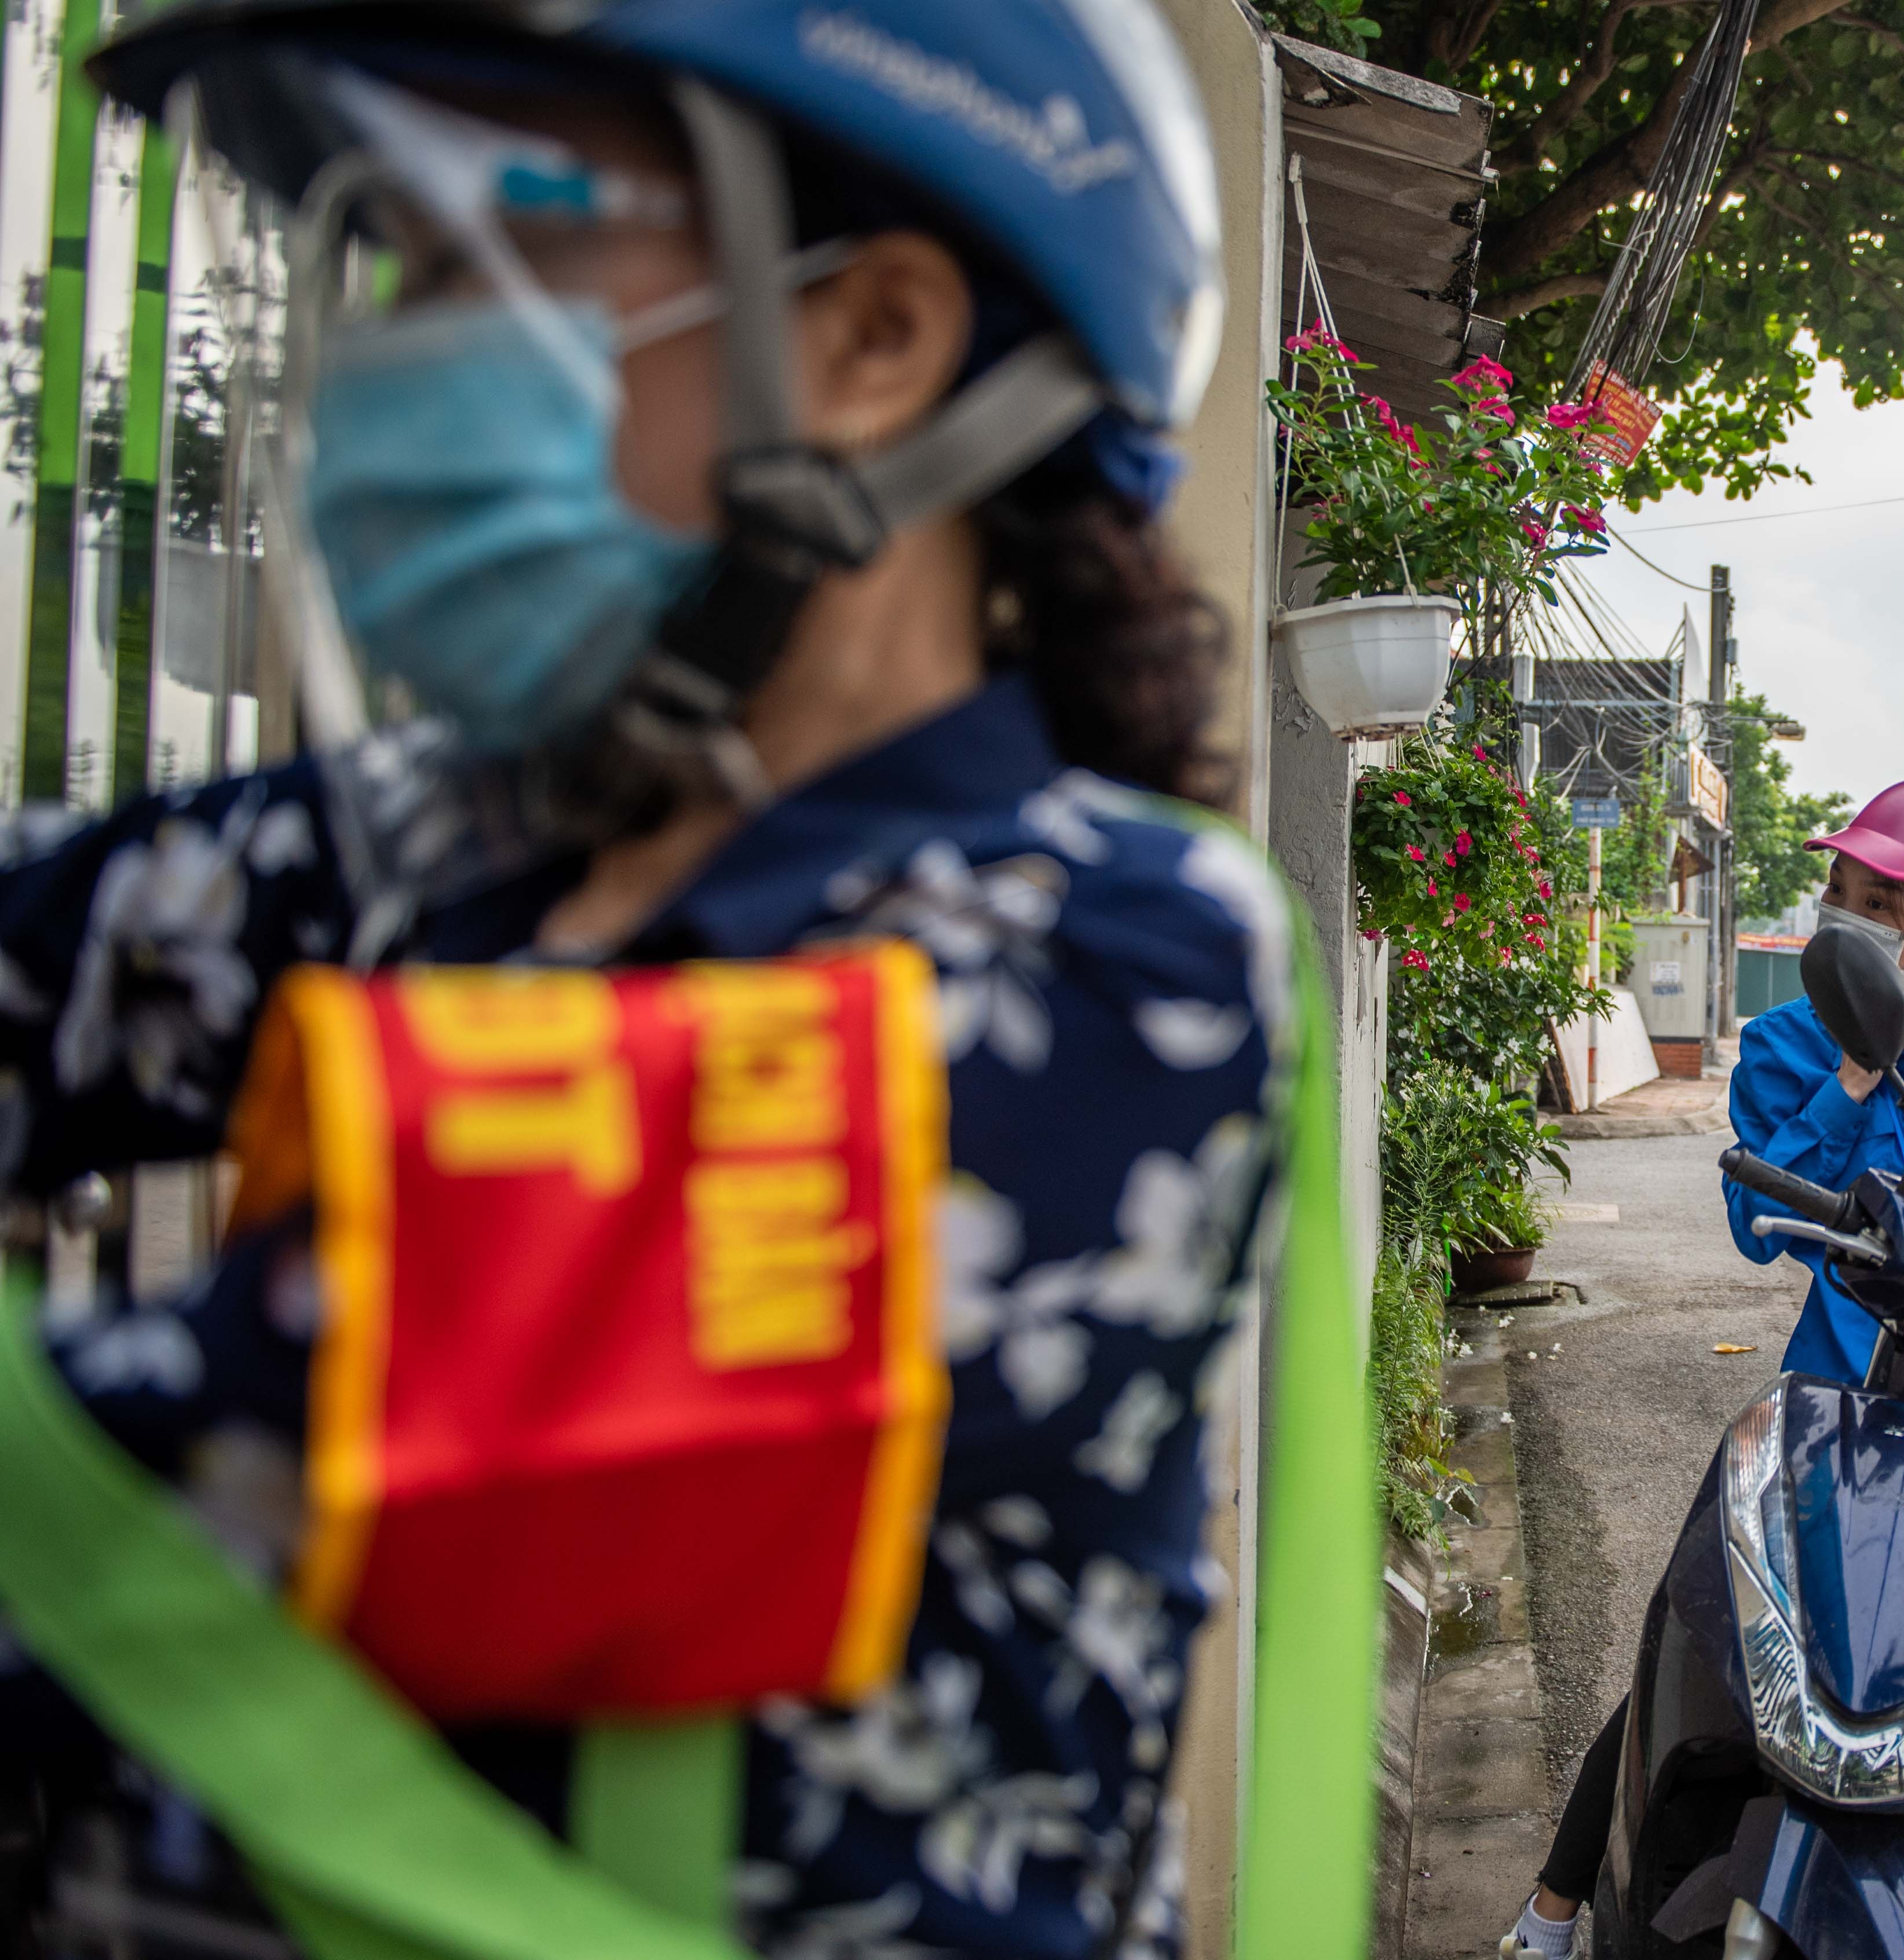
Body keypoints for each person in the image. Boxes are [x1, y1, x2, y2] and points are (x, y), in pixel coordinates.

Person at [0, 6, 1325, 1957]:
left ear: (874, 339)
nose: (397, 352)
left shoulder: (1114, 958)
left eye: (486, 252)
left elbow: (252, 1446)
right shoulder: (437, 840)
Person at [1501, 780, 1904, 1960]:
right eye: (1840, 890)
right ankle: (1550, 1915)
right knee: (1711, 1644)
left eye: (1880, 899)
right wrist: (1855, 1073)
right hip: (1840, 1408)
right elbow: (1759, 1220)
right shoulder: (1786, 1044)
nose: (1847, 914)